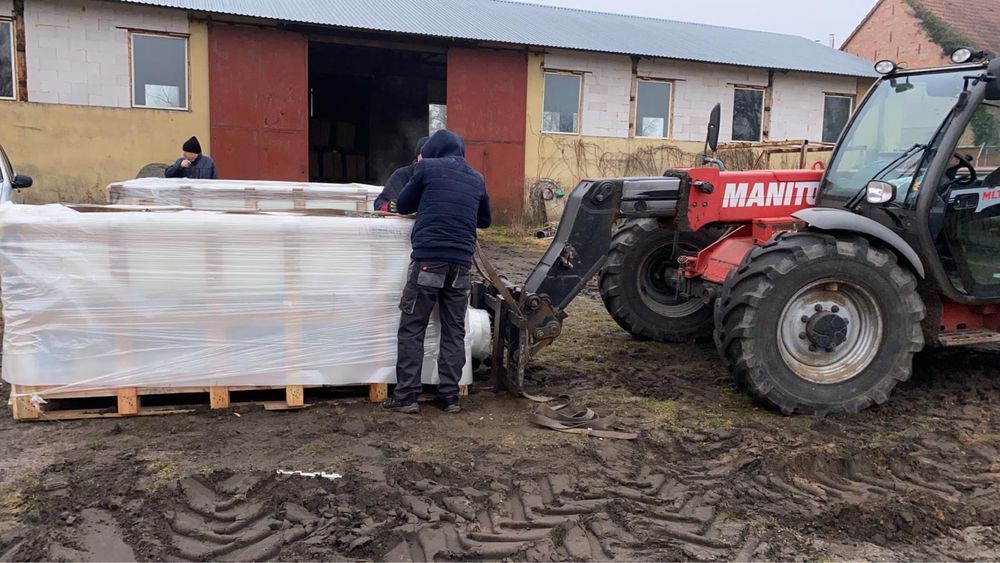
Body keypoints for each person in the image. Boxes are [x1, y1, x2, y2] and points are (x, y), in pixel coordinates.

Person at [383, 129, 491, 414]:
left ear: (433, 151)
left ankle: (406, 396)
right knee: (454, 330)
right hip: (461, 266)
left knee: (412, 326)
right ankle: (450, 397)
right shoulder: (476, 177)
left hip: (429, 260)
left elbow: (404, 204)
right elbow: (485, 220)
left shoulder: (427, 168)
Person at [374, 136, 429, 213]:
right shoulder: (402, 175)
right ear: (417, 157)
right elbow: (380, 203)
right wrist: (393, 206)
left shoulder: (443, 177)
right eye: (425, 156)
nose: (428, 162)